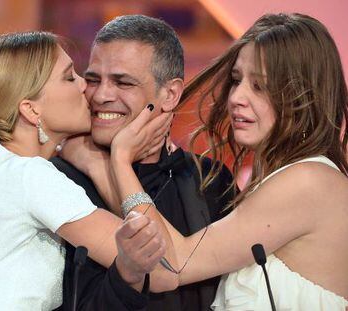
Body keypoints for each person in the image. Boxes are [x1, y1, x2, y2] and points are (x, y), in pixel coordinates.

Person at [112, 13, 348, 310]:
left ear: (304, 94)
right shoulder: (282, 179)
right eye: (237, 80)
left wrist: (117, 161)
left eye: (260, 86)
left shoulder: (308, 181)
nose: (237, 97)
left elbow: (172, 265)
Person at [0, 31, 180, 310]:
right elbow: (164, 271)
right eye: (68, 77)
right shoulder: (31, 177)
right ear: (30, 109)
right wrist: (119, 161)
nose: (85, 87)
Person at [52, 15, 234, 311]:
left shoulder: (210, 180)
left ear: (170, 94)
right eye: (94, 79)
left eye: (122, 82)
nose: (101, 95)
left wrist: (116, 163)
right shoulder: (60, 179)